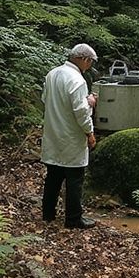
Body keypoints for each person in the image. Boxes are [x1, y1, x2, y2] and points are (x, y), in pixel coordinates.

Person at [41, 43, 99, 228]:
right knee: (75, 179)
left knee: (53, 176)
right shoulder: (77, 80)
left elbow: (45, 98)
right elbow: (81, 112)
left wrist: (84, 101)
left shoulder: (53, 73)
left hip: (53, 131)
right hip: (71, 135)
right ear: (83, 59)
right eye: (90, 62)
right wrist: (89, 132)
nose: (89, 66)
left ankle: (48, 213)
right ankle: (73, 219)